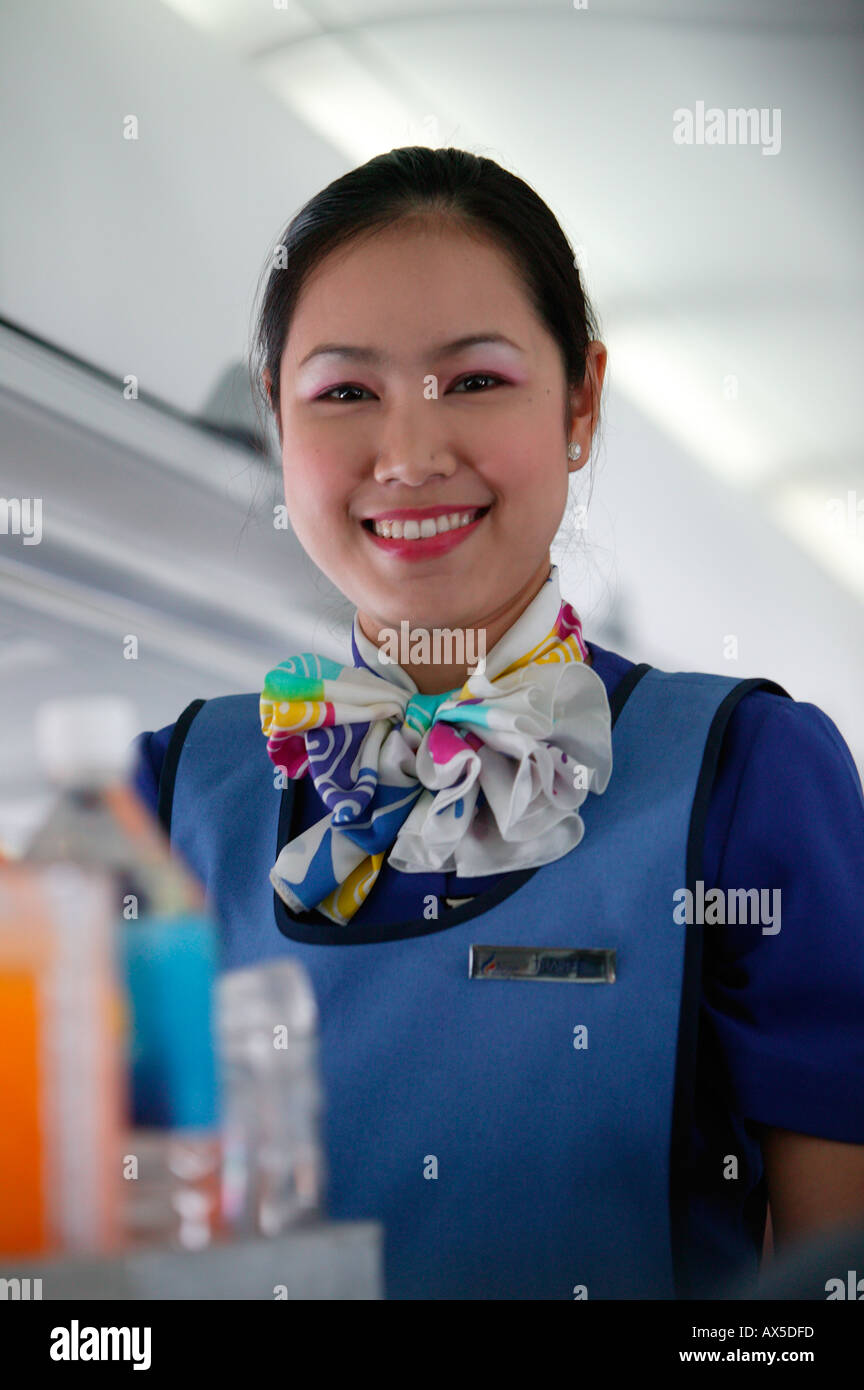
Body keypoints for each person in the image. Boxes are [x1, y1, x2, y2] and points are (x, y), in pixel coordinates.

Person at [132, 147, 864, 1301]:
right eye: (344, 392)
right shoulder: (164, 796)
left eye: (473, 381)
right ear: (278, 422)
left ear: (580, 403)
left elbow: (831, 1288)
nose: (413, 456)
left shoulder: (746, 777)